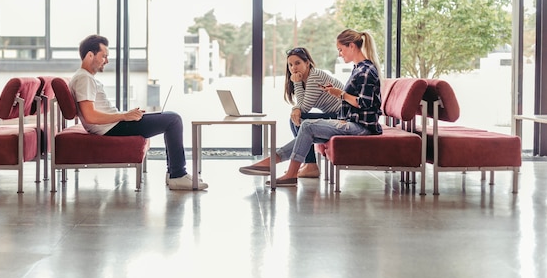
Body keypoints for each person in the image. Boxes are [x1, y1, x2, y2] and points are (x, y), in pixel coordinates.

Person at [239, 29, 382, 186]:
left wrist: (339, 94)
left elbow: (365, 104)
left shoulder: (365, 70)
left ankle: (287, 171)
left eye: (341, 49)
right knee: (305, 129)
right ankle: (271, 163)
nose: (340, 54)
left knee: (306, 125)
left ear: (352, 46)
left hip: (361, 126)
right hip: (348, 119)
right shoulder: (359, 68)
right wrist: (335, 95)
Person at [69, 34, 207, 191]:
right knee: (173, 120)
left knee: (169, 116)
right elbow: (90, 116)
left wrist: (126, 115)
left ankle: (175, 173)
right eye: (104, 56)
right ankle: (177, 175)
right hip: (112, 128)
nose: (107, 61)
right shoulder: (84, 79)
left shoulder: (84, 78)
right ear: (90, 55)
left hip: (114, 124)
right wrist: (124, 116)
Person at [240, 47, 344, 178]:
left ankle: (308, 164)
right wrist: (296, 106)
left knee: (299, 118)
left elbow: (303, 108)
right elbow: (301, 106)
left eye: (298, 63)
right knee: (297, 119)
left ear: (307, 63)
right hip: (334, 114)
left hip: (342, 115)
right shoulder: (306, 78)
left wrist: (297, 85)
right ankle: (309, 164)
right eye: (290, 64)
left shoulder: (315, 76)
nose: (293, 68)